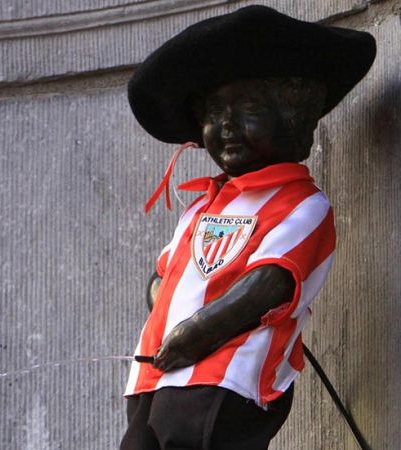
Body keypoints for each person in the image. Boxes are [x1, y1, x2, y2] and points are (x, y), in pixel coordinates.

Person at [120, 6, 376, 450]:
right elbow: (167, 275)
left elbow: (269, 283)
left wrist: (197, 330)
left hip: (227, 375)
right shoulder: (201, 205)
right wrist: (162, 300)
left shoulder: (302, 204)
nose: (227, 126)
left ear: (293, 113)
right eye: (215, 111)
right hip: (156, 372)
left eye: (250, 108)